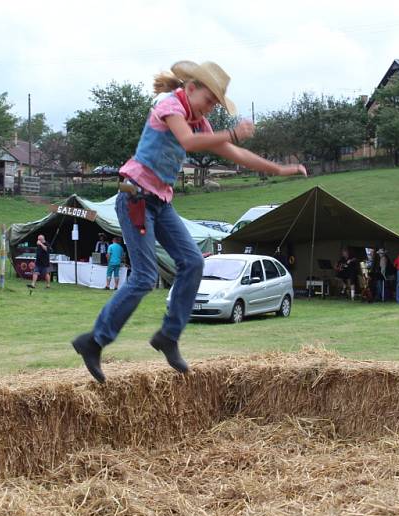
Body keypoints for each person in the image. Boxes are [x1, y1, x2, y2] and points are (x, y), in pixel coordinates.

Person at [72, 60, 307, 383]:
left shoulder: (200, 122)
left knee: (194, 261)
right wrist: (234, 132)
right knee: (144, 276)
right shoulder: (169, 106)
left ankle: (169, 335)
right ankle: (94, 341)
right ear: (191, 88)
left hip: (161, 201)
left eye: (215, 104)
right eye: (209, 100)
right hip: (137, 198)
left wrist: (279, 169)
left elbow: (234, 154)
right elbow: (187, 142)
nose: (210, 108)